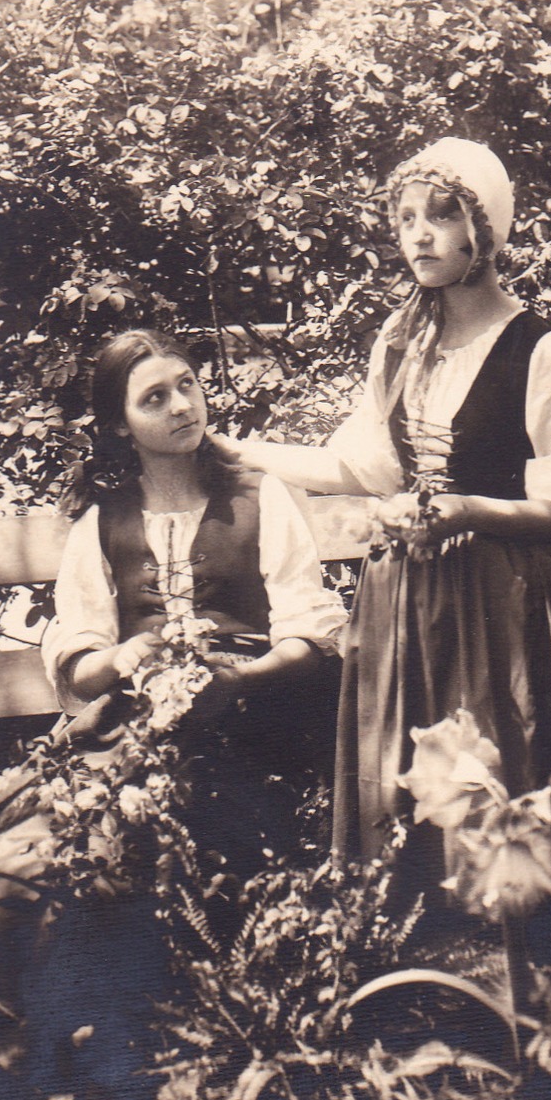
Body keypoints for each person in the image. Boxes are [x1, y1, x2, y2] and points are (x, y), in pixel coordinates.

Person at [211, 137, 551, 905]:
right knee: (407, 780)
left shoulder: (541, 350)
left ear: (486, 230)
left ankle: (530, 964)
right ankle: (415, 970)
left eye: (442, 215)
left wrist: (466, 509)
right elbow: (362, 469)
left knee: (507, 773)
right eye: (406, 218)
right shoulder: (402, 345)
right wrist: (240, 453)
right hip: (409, 606)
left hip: (509, 606)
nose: (419, 235)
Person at [41, 326, 346, 876]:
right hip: (142, 718)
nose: (181, 406)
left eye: (187, 385)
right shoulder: (103, 519)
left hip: (261, 710)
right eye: (154, 398)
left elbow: (308, 635)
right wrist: (121, 658)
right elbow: (81, 668)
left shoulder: (259, 496)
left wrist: (239, 679)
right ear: (119, 422)